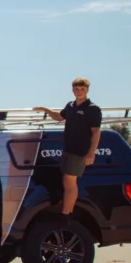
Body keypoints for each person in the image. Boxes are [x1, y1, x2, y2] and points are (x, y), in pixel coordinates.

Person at [34, 77, 102, 221]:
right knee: (66, 181)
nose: (79, 91)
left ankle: (66, 216)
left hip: (80, 151)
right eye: (76, 89)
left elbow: (96, 132)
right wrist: (44, 109)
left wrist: (91, 153)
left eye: (82, 89)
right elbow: (59, 117)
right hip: (68, 149)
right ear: (72, 90)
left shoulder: (92, 109)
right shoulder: (70, 106)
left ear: (87, 90)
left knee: (70, 181)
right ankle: (67, 211)